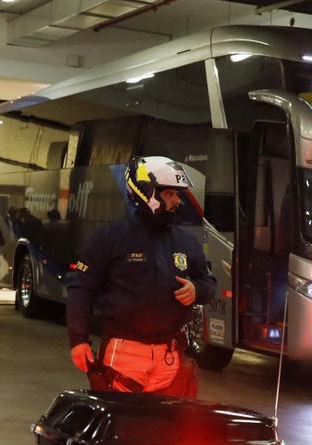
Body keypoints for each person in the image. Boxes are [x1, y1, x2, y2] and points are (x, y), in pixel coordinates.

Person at [68, 155, 215, 395]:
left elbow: (209, 283)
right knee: (123, 429)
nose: (177, 201)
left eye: (178, 195)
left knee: (172, 429)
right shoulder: (110, 238)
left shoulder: (186, 243)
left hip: (171, 356)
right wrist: (78, 340)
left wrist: (197, 290)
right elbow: (81, 289)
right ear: (147, 192)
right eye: (170, 194)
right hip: (123, 355)